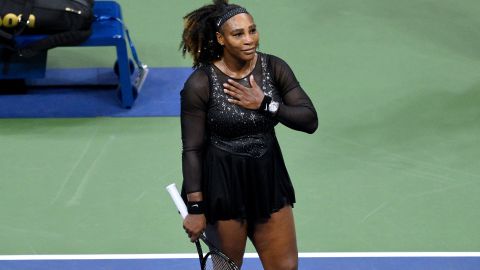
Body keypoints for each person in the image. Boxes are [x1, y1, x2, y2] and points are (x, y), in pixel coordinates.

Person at [179, 1, 318, 269]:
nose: (248, 39)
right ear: (221, 38)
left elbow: (309, 120)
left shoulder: (274, 67)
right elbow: (192, 149)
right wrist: (196, 208)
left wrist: (265, 104)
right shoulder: (200, 84)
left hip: (268, 178)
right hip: (223, 185)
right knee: (227, 269)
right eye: (238, 33)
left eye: (252, 31)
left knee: (285, 267)